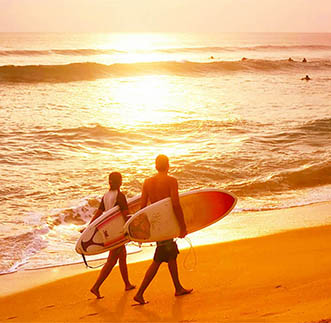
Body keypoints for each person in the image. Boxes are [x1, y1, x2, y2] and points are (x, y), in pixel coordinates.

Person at [133, 155, 193, 305]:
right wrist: (182, 226)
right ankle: (140, 293)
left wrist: (141, 231)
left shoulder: (147, 182)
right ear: (168, 166)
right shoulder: (171, 181)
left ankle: (178, 287)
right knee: (159, 258)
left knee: (170, 254)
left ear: (155, 166)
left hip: (156, 224)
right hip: (167, 223)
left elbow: (142, 208)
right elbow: (175, 204)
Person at [90, 172, 135, 299]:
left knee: (122, 256)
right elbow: (126, 215)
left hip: (108, 232)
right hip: (118, 232)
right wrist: (131, 230)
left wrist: (89, 226)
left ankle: (127, 284)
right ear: (120, 182)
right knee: (111, 261)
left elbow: (99, 213)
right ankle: (96, 287)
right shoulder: (120, 196)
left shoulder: (106, 196)